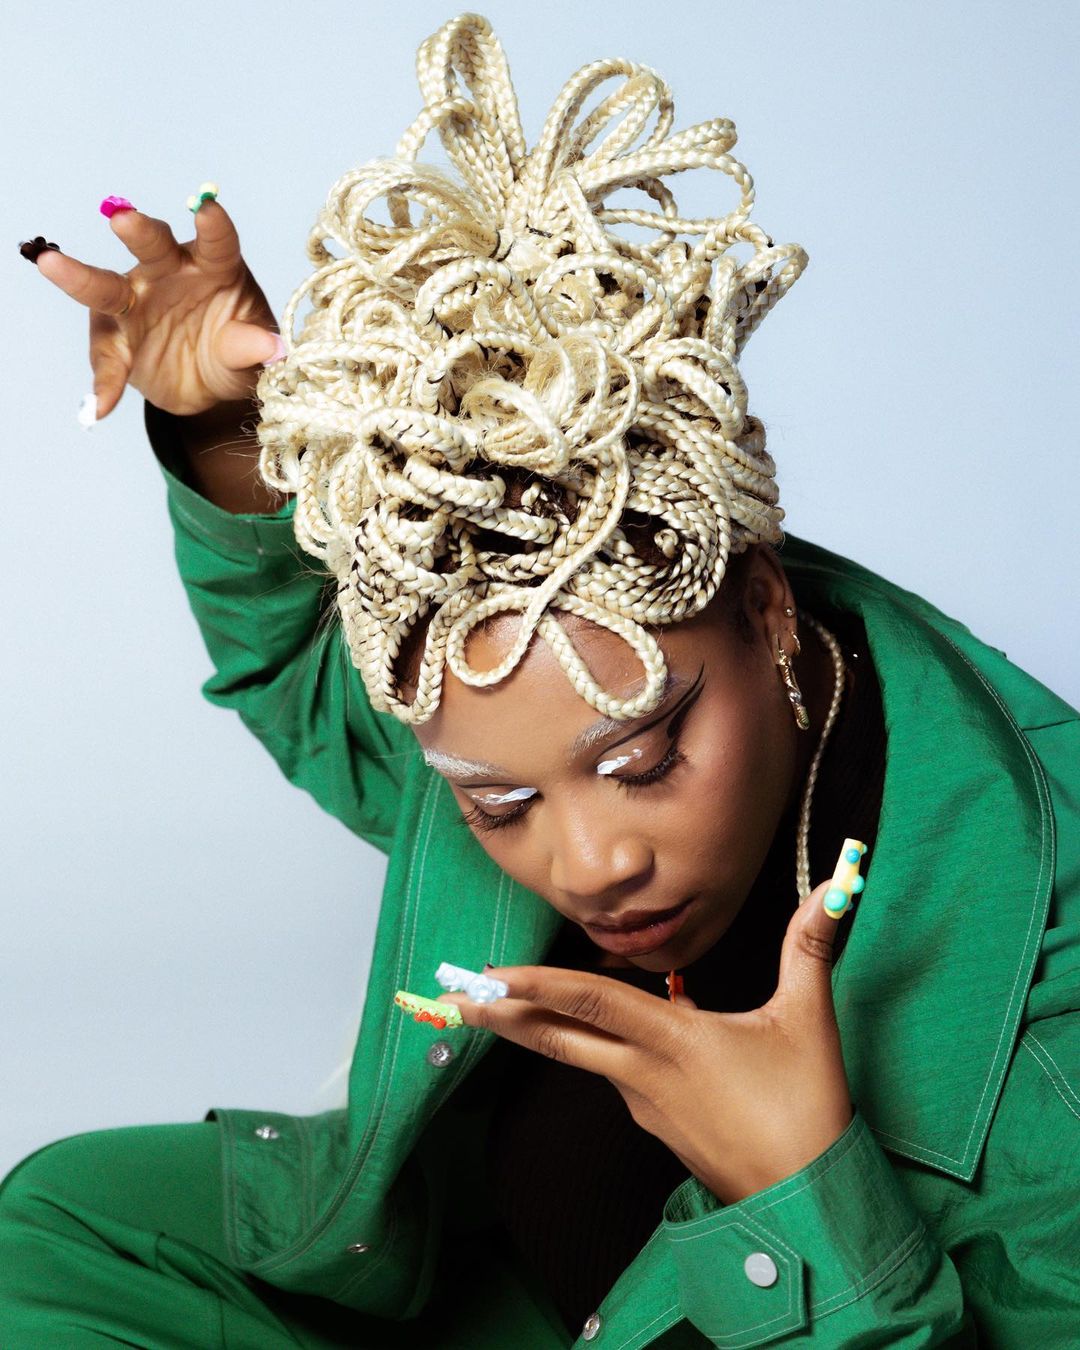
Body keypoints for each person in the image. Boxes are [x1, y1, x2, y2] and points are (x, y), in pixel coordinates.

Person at [3, 12, 1078, 1347]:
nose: (590, 863)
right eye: (498, 803)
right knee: (62, 1224)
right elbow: (308, 685)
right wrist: (224, 433)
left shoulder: (1052, 987)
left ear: (766, 608)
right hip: (487, 1284)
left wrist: (806, 1194)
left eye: (642, 758)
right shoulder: (500, 673)